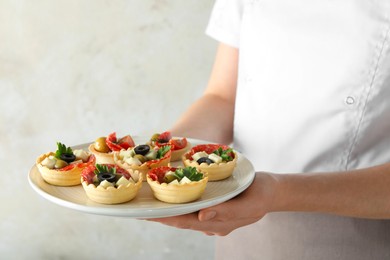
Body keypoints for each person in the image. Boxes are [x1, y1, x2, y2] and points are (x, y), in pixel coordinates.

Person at [148, 0, 390, 259]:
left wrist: (277, 191)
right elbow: (222, 98)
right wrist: (163, 154)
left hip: (355, 232)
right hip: (239, 221)